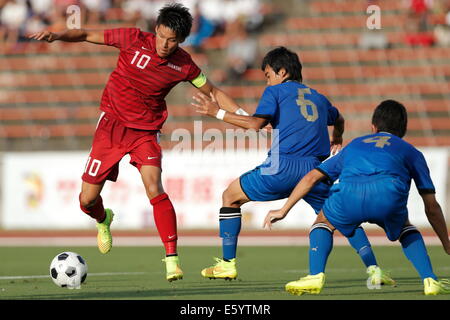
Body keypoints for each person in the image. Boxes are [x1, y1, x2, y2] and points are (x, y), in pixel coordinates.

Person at [28, 3, 249, 282]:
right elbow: (85, 33)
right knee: (87, 199)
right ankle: (102, 219)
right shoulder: (132, 38)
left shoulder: (183, 64)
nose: (166, 44)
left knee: (154, 186)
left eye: (173, 40)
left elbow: (213, 90)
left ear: (181, 41)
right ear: (155, 29)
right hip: (111, 126)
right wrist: (57, 36)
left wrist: (242, 115)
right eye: (162, 36)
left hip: (145, 131)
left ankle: (172, 259)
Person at [192, 47, 394, 285]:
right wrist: (337, 138)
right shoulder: (318, 97)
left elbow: (255, 125)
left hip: (281, 167)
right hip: (314, 173)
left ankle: (227, 265)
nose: (267, 80)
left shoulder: (275, 91)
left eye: (268, 75)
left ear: (283, 72)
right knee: (342, 217)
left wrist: (217, 112)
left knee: (230, 196)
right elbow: (339, 119)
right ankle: (374, 269)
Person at [263, 100, 450, 296]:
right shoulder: (412, 152)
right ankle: (430, 279)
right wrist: (446, 243)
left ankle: (315, 275)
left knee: (323, 221)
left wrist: (284, 209)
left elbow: (311, 177)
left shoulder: (355, 145)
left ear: (373, 127)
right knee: (405, 227)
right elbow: (431, 206)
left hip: (349, 194)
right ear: (403, 129)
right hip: (388, 195)